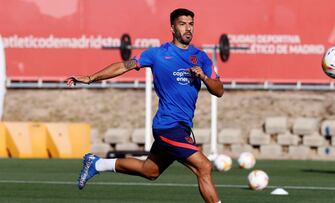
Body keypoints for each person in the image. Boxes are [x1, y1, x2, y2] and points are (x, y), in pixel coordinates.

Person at [67, 8, 224, 203]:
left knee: (150, 171)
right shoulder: (157, 54)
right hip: (167, 126)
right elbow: (124, 66)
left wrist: (204, 77)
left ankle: (97, 164)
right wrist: (91, 78)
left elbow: (219, 90)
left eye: (191, 24)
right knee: (204, 167)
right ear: (172, 28)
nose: (188, 28)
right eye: (182, 24)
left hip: (182, 126)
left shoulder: (200, 57)